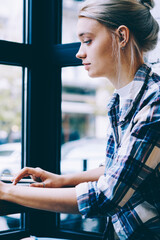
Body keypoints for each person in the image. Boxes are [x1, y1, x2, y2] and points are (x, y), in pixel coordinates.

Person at [0, 0, 160, 239]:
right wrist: (63, 179)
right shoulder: (120, 102)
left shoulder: (155, 102)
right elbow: (118, 169)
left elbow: (108, 196)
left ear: (122, 36)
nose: (79, 52)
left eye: (88, 40)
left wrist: (5, 191)